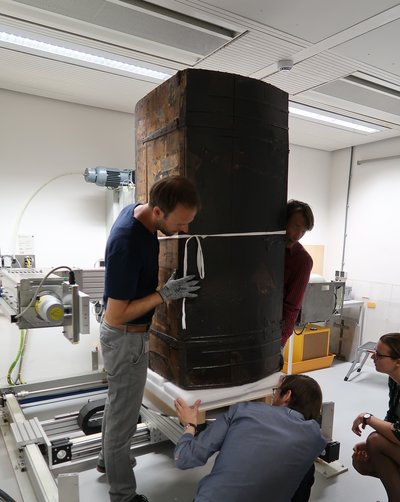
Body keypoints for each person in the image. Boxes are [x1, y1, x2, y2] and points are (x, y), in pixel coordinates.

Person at [98, 175, 201, 502]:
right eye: (181, 223)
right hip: (125, 337)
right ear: (158, 212)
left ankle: (108, 462)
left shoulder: (137, 213)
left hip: (128, 338)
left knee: (118, 409)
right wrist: (163, 294)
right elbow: (117, 315)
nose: (184, 230)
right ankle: (123, 495)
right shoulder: (128, 242)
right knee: (122, 423)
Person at [174, 374, 327, 502]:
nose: (274, 395)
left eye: (276, 392)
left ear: (287, 395)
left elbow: (184, 458)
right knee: (307, 470)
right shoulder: (315, 440)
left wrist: (190, 425)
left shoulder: (244, 411)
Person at [352, 333, 400, 502]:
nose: (373, 356)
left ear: (398, 361)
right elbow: (392, 418)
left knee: (375, 441)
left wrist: (367, 418)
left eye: (379, 354)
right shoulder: (394, 380)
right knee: (361, 461)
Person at [282, 199, 315, 348]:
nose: (297, 235)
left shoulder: (302, 261)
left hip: (273, 333)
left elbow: (292, 306)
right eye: (296, 227)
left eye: (303, 231)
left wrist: (280, 342)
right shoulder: (265, 250)